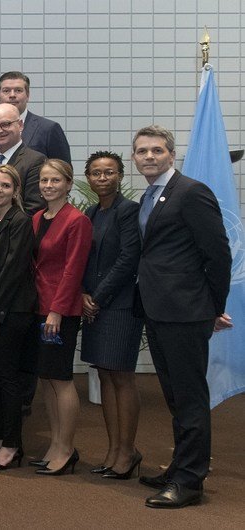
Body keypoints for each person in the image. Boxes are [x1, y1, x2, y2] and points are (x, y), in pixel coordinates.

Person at [132, 125, 231, 509]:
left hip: (186, 312)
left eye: (157, 150)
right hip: (158, 309)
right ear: (135, 158)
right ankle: (180, 465)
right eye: (142, 151)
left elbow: (218, 254)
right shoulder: (150, 195)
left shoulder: (191, 193)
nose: (149, 156)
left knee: (189, 398)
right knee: (174, 396)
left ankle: (190, 482)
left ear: (172, 155)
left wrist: (212, 307)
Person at [79, 151, 143, 480]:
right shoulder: (90, 213)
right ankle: (113, 449)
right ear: (88, 177)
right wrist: (83, 295)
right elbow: (83, 260)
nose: (102, 178)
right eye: (96, 173)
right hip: (93, 306)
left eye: (109, 172)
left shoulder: (128, 211)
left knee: (121, 377)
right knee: (103, 375)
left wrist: (98, 298)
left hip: (119, 306)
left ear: (120, 176)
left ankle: (127, 451)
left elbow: (128, 259)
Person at [28, 159, 92, 476]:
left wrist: (56, 309)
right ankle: (54, 443)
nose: (48, 185)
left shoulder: (76, 221)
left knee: (62, 379)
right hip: (38, 307)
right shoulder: (39, 217)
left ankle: (66, 448)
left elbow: (73, 270)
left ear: (68, 184)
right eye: (44, 180)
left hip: (59, 312)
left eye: (55, 180)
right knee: (46, 378)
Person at [0, 165, 37, 470]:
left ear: (16, 191)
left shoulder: (20, 221)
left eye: (5, 186)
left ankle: (13, 444)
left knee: (9, 380)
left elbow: (13, 270)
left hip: (10, 312)